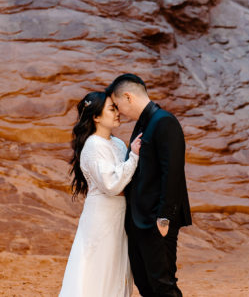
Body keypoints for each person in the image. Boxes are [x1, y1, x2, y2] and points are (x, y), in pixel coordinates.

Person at [107, 74, 191, 297]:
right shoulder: (144, 123)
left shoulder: (164, 122)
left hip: (157, 221)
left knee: (163, 285)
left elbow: (172, 173)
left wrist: (164, 218)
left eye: (117, 105)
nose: (119, 112)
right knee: (145, 283)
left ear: (128, 97)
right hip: (139, 220)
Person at [59, 90, 142, 297]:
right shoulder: (93, 146)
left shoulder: (117, 143)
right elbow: (111, 185)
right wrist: (134, 156)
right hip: (101, 217)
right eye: (111, 109)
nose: (117, 112)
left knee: (116, 268)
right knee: (97, 269)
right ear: (96, 116)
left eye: (117, 108)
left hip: (120, 216)